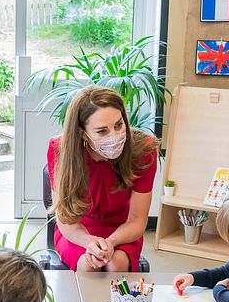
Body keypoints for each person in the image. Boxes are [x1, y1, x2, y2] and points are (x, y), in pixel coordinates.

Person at [47, 86, 158, 272]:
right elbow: (66, 220)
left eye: (118, 125)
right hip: (77, 230)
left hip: (124, 230)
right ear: (83, 133)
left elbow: (137, 220)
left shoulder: (143, 150)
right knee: (88, 265)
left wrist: (111, 242)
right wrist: (89, 242)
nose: (114, 136)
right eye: (101, 131)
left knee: (115, 264)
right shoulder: (60, 150)